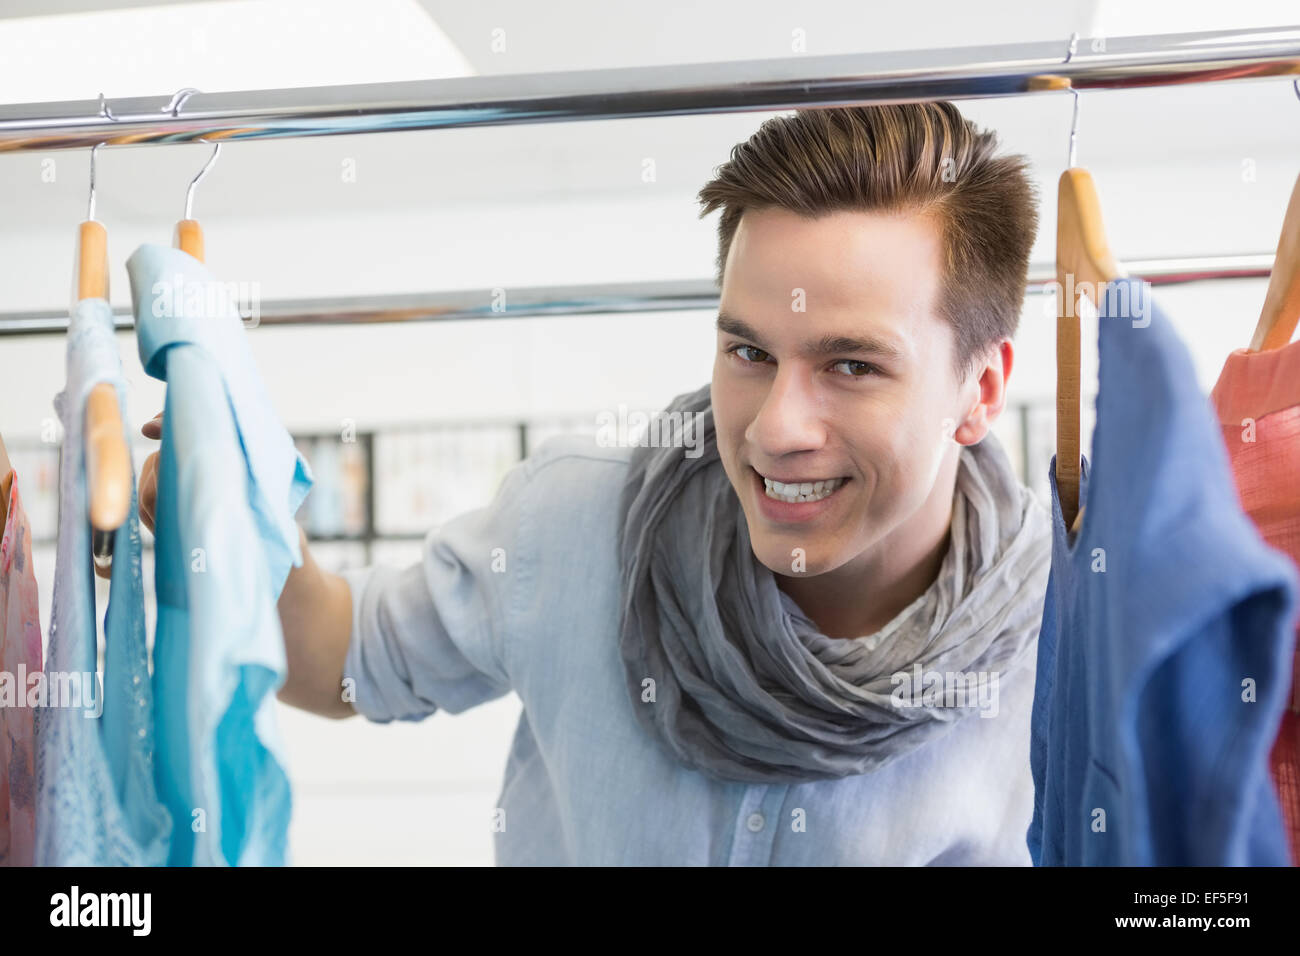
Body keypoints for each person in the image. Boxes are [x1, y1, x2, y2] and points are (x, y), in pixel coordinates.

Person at [138, 101, 1052, 865]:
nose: (776, 427)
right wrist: (234, 504)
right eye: (748, 351)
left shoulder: (1072, 632)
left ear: (978, 390)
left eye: (851, 366)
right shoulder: (570, 523)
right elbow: (342, 661)